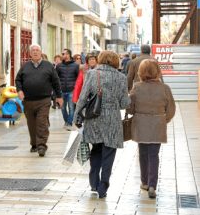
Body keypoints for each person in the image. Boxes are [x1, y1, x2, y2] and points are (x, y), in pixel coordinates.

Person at [73, 51, 131, 198]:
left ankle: (94, 182)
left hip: (94, 118)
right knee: (109, 154)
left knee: (96, 150)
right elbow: (124, 103)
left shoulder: (92, 74)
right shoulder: (121, 77)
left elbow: (82, 97)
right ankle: (103, 187)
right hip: (112, 120)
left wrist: (76, 117)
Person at [127, 59, 175, 199]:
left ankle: (145, 182)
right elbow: (171, 109)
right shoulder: (165, 88)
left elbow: (130, 109)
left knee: (143, 154)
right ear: (157, 71)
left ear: (140, 72)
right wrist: (163, 119)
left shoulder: (136, 87)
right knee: (154, 155)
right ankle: (153, 184)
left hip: (141, 124)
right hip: (157, 124)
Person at [15, 44, 63, 157]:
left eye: (37, 50)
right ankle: (34, 144)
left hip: (44, 100)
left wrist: (59, 97)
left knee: (42, 123)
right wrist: (19, 90)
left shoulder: (48, 66)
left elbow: (56, 82)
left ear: (41, 52)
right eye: (33, 50)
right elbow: (18, 80)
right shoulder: (25, 66)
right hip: (28, 101)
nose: (35, 52)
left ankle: (42, 146)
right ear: (30, 53)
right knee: (31, 124)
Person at [56, 48, 79, 130]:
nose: (62, 55)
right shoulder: (59, 66)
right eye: (62, 54)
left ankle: (69, 123)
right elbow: (56, 78)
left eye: (64, 54)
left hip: (71, 90)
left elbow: (78, 78)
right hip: (61, 91)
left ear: (68, 55)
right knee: (62, 108)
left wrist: (75, 88)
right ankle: (67, 121)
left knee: (71, 108)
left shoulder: (76, 65)